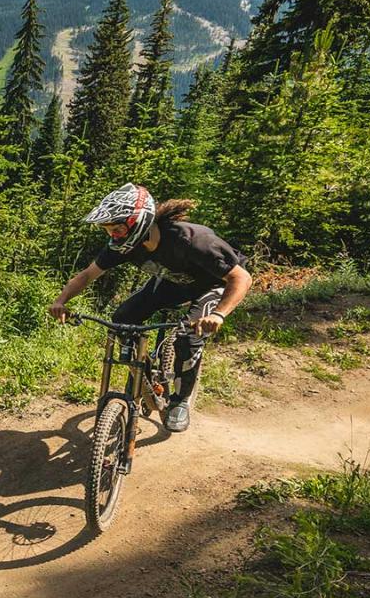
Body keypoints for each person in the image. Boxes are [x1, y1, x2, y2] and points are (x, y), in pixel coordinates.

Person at [49, 183, 252, 433]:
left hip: (211, 285)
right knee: (122, 319)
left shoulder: (191, 240)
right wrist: (61, 301)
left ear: (138, 222)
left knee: (188, 338)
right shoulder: (124, 244)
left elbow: (241, 278)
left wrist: (218, 314)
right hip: (171, 283)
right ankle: (142, 378)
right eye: (108, 230)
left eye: (118, 228)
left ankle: (180, 400)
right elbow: (86, 275)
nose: (113, 235)